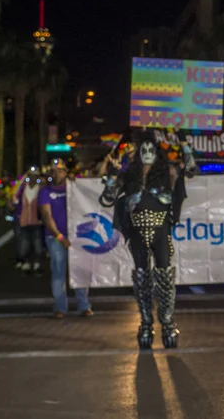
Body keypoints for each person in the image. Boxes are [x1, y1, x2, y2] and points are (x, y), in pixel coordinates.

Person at [99, 130, 194, 349]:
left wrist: (183, 143)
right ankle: (145, 323)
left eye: (151, 150)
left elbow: (189, 169)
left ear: (157, 152)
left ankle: (168, 323)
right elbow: (106, 199)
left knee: (164, 276)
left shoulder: (167, 172)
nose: (148, 153)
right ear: (138, 153)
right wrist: (113, 175)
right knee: (142, 278)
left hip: (161, 231)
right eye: (144, 150)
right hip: (136, 233)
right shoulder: (129, 176)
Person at [39, 159, 93, 319]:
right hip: (56, 238)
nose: (57, 174)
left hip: (76, 237)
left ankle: (84, 306)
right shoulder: (45, 192)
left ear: (66, 172)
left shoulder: (74, 188)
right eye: (54, 171)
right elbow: (46, 216)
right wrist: (60, 237)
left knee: (80, 271)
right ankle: (60, 307)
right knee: (58, 272)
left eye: (61, 171)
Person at [13, 167, 43, 276]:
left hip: (36, 222)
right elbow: (13, 198)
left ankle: (36, 265)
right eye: (30, 176)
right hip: (24, 222)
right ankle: (25, 264)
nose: (32, 179)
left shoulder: (41, 190)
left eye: (35, 176)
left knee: (38, 246)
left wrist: (42, 218)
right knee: (24, 245)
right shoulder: (22, 189)